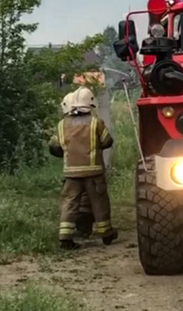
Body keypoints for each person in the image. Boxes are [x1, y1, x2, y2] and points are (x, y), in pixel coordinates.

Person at [49, 87, 117, 250]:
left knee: (70, 203)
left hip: (71, 173)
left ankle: (65, 237)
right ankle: (106, 233)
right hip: (93, 172)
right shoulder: (95, 123)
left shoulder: (61, 125)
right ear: (90, 104)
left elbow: (54, 147)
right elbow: (108, 141)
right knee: (99, 201)